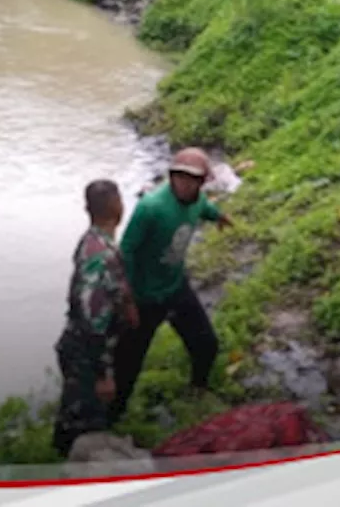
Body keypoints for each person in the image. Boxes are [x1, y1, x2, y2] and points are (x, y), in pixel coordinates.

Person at [109, 147, 234, 423]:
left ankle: (197, 389)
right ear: (171, 176)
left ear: (202, 183)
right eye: (179, 177)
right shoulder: (150, 208)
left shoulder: (197, 199)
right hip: (144, 297)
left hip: (176, 287)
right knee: (127, 364)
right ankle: (113, 417)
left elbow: (204, 208)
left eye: (192, 179)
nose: (184, 184)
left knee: (206, 345)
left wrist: (219, 216)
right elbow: (125, 253)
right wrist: (128, 299)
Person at [52, 179, 140, 458]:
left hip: (74, 343)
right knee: (88, 422)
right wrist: (104, 375)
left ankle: (57, 459)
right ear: (118, 207)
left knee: (72, 411)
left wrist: (127, 303)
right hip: (86, 355)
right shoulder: (105, 256)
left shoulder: (88, 241)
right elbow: (94, 321)